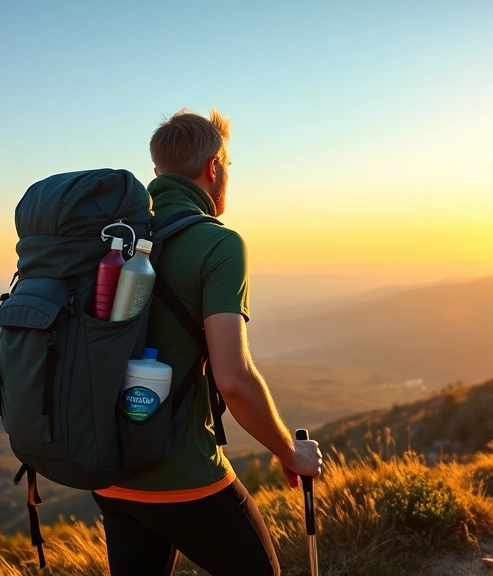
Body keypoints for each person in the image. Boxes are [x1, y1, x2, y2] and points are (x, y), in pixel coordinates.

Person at [93, 109, 322, 576]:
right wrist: (289, 453)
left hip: (110, 473)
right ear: (214, 168)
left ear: (157, 173)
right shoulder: (218, 244)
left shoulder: (115, 239)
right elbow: (234, 379)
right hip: (184, 475)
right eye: (228, 168)